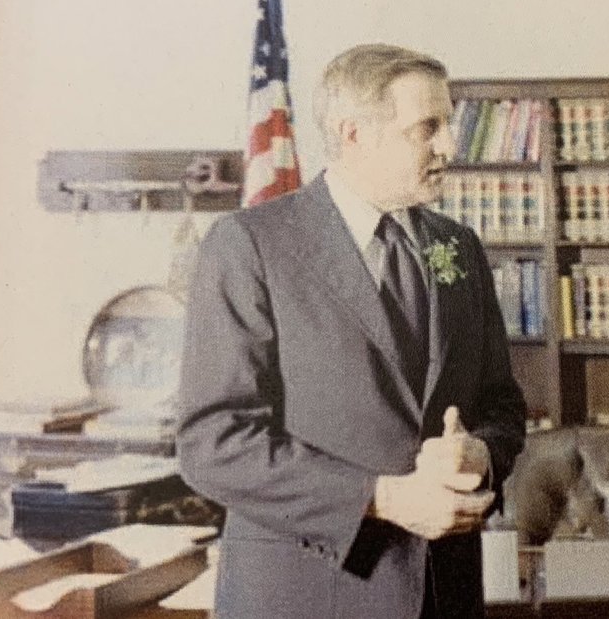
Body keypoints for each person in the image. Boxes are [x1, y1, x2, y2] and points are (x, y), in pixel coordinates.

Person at [176, 43, 527, 619]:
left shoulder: (457, 247)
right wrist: (383, 499)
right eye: (428, 128)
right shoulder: (251, 247)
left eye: (449, 124)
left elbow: (502, 404)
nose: (449, 146)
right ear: (353, 133)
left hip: (443, 594)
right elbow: (213, 442)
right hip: (308, 594)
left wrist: (479, 454)